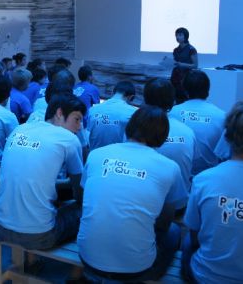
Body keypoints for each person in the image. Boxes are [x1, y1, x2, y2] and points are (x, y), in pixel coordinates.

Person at [78, 106, 187, 282]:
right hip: (136, 270)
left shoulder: (96, 155)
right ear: (162, 136)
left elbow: (86, 198)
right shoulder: (169, 167)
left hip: (87, 257)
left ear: (130, 127)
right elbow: (167, 219)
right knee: (174, 231)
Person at [0, 93, 85, 250]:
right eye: (77, 119)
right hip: (39, 236)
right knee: (85, 209)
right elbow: (79, 191)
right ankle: (76, 273)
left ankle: (31, 261)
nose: (80, 126)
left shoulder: (20, 129)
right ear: (60, 113)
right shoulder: (68, 139)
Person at [182, 100, 243, 283]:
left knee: (184, 242)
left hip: (203, 276)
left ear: (228, 134)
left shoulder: (204, 180)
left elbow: (195, 236)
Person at [144, 78, 198, 197]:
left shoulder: (134, 128)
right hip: (179, 204)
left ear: (145, 100)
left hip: (144, 200)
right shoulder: (187, 132)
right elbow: (192, 165)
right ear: (173, 101)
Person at [169, 70, 225, 175]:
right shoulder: (222, 116)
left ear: (185, 91)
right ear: (208, 90)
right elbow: (225, 154)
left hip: (179, 173)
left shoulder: (172, 112)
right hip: (209, 175)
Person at [87, 81, 136, 150]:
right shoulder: (133, 113)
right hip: (118, 158)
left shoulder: (92, 109)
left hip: (93, 155)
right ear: (131, 97)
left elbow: (86, 137)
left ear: (113, 92)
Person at [171, 27, 198, 104]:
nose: (177, 37)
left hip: (186, 77)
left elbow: (195, 65)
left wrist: (182, 64)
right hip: (175, 77)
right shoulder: (175, 50)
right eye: (176, 35)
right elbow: (175, 62)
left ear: (185, 36)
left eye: (180, 35)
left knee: (185, 99)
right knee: (175, 98)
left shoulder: (191, 49)